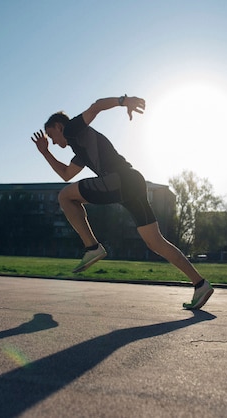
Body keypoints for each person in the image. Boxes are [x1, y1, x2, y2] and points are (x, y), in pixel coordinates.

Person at [31, 95, 213, 310]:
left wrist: (123, 101)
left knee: (64, 196)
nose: (52, 142)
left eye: (51, 136)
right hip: (132, 182)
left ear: (59, 127)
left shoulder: (72, 129)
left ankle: (92, 247)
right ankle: (200, 284)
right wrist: (45, 153)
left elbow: (95, 107)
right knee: (155, 242)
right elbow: (66, 173)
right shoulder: (80, 148)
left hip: (118, 180)